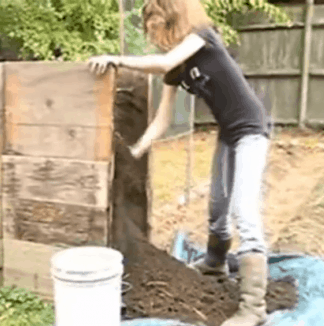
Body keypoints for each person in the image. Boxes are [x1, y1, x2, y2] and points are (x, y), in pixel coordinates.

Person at [88, 0, 271, 325]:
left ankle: (253, 308)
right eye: (152, 31)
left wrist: (116, 58)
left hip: (252, 130)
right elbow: (161, 120)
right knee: (217, 207)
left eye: (160, 28)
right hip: (229, 133)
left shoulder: (203, 36)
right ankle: (215, 263)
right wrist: (134, 151)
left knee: (243, 210)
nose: (156, 36)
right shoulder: (176, 69)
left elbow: (164, 61)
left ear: (175, 20)